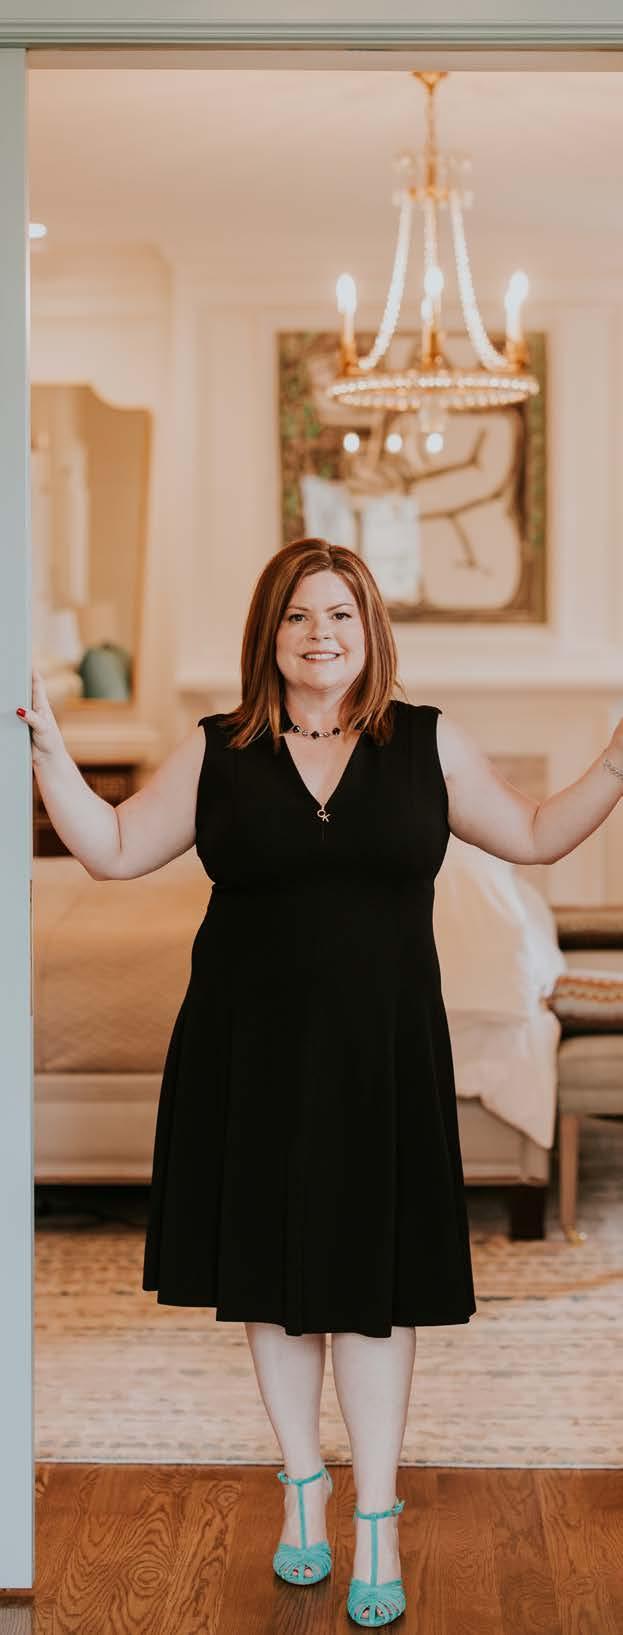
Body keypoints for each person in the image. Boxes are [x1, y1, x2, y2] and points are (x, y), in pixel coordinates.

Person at [20, 536, 623, 1628]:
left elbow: (535, 834)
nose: (320, 634)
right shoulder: (219, 750)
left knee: (373, 1291)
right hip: (246, 1049)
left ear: (369, 629)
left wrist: (616, 765)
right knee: (274, 1281)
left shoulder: (426, 743)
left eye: (340, 613)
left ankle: (375, 1515)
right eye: (298, 615)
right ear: (270, 633)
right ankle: (303, 1487)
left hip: (383, 1055)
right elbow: (109, 849)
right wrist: (49, 749)